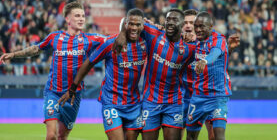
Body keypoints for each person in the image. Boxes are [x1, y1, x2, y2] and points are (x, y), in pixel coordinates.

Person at [0, 1, 106, 140]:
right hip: (53, 92)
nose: (81, 18)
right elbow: (35, 49)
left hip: (74, 95)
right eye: (77, 15)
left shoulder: (90, 39)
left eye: (83, 16)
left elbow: (114, 41)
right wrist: (14, 54)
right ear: (67, 19)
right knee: (51, 135)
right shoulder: (55, 37)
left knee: (62, 136)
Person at [59, 8, 147, 140]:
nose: (134, 27)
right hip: (112, 102)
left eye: (137, 25)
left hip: (133, 103)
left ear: (143, 25)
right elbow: (89, 63)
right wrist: (72, 88)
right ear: (125, 24)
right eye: (131, 24)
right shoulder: (111, 43)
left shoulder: (146, 43)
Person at [114, 8, 195, 140]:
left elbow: (208, 55)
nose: (169, 22)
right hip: (151, 101)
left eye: (174, 20)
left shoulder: (190, 46)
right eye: (168, 19)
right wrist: (122, 33)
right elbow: (126, 20)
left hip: (174, 102)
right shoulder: (154, 33)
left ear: (182, 24)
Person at [186, 12, 233, 140]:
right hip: (198, 96)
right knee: (190, 136)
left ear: (211, 26)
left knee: (218, 135)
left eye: (202, 26)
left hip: (217, 96)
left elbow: (215, 53)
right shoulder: (194, 42)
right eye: (196, 26)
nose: (198, 29)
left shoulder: (219, 39)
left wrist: (204, 61)